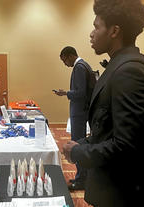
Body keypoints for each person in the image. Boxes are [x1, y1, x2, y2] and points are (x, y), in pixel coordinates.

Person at [62, 0, 144, 206]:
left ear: (114, 31)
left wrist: (80, 151)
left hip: (122, 192)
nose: (91, 34)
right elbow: (110, 129)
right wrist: (84, 142)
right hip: (116, 189)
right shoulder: (121, 65)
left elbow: (127, 146)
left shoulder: (129, 71)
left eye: (97, 27)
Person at [54, 46, 94, 190]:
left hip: (80, 112)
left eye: (64, 59)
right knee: (80, 144)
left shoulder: (79, 67)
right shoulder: (83, 66)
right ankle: (81, 177)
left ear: (70, 55)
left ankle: (81, 180)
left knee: (77, 145)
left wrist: (66, 93)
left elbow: (80, 93)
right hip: (82, 111)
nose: (65, 63)